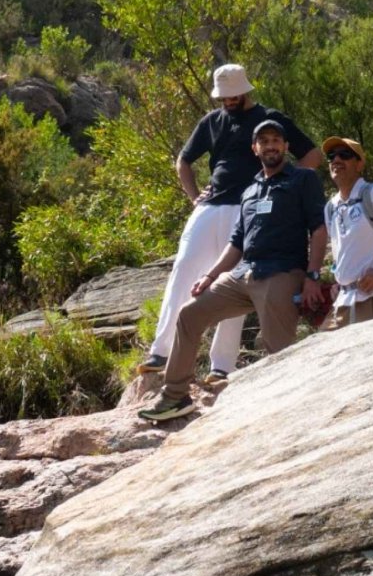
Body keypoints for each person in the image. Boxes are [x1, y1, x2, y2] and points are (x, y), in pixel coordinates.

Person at [136, 64, 321, 381]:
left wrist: (284, 188)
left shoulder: (268, 120)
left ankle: (221, 365)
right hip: (209, 206)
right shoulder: (212, 121)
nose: (228, 100)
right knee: (184, 268)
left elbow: (313, 154)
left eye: (233, 94)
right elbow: (183, 160)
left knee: (236, 279)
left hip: (247, 206)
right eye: (223, 96)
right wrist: (194, 195)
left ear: (246, 89)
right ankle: (160, 351)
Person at [139, 119, 328, 421]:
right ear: (255, 149)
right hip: (243, 274)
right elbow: (236, 243)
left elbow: (319, 229)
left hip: (282, 273)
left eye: (276, 140)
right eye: (263, 141)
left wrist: (312, 276)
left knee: (278, 349)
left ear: (286, 147)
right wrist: (210, 275)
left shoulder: (302, 180)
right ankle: (174, 396)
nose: (271, 146)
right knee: (189, 314)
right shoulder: (250, 191)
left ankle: (288, 416)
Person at [320, 136, 373, 328]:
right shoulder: (331, 207)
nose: (336, 160)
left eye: (345, 155)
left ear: (359, 164)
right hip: (344, 300)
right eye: (331, 156)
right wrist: (339, 279)